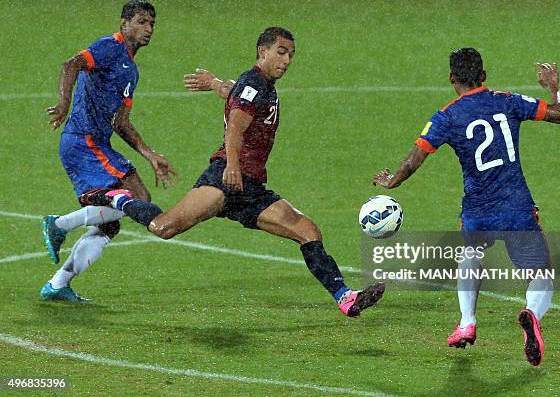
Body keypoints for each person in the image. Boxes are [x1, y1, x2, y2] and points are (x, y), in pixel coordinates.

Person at [75, 26, 385, 317]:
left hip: (250, 187)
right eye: (280, 51)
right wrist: (233, 166)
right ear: (261, 52)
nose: (286, 60)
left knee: (307, 230)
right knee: (163, 227)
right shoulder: (255, 84)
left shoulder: (257, 86)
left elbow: (233, 93)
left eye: (291, 54)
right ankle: (117, 199)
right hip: (225, 177)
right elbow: (236, 125)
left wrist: (213, 83)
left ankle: (346, 298)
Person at [373, 48, 560, 365]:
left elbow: (415, 158)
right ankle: (531, 313)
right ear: (484, 76)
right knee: (540, 273)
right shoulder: (508, 100)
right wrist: (553, 88)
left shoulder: (447, 116)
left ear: (452, 79)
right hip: (517, 204)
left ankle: (467, 322)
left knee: (470, 257)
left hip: (478, 209)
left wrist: (393, 181)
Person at [41, 0, 178, 302]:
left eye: (152, 23)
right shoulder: (109, 47)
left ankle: (58, 284)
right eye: (142, 21)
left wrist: (149, 153)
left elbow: (121, 121)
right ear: (124, 23)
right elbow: (72, 64)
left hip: (99, 142)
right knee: (128, 201)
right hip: (82, 140)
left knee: (126, 211)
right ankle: (60, 224)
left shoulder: (132, 71)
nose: (148, 29)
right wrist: (64, 101)